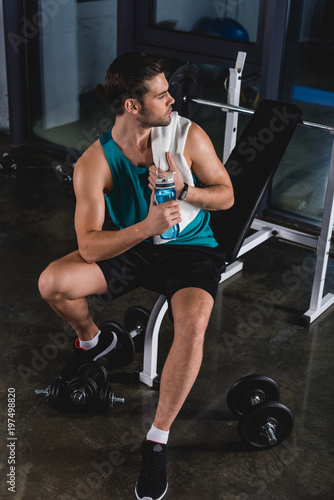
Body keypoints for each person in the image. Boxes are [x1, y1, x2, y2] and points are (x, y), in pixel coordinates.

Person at [38, 51, 234, 500]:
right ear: (131, 105)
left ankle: (157, 439)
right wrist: (146, 227)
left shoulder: (189, 136)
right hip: (134, 244)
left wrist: (187, 191)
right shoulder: (95, 162)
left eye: (169, 92)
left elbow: (226, 197)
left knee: (192, 325)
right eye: (162, 95)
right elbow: (88, 245)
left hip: (192, 251)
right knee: (54, 282)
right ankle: (94, 341)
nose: (173, 101)